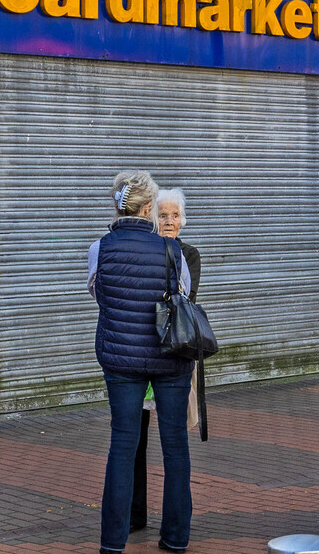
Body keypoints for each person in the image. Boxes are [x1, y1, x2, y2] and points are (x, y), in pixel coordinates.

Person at [88, 170, 194, 554]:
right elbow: (182, 296)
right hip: (170, 360)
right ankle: (176, 538)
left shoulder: (99, 247)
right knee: (175, 447)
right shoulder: (172, 250)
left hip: (120, 359)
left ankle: (112, 543)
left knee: (122, 445)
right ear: (150, 208)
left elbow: (98, 294)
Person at [132, 188, 203, 530]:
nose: (170, 221)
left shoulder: (189, 253)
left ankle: (176, 525)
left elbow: (184, 298)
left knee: (174, 440)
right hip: (140, 354)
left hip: (173, 355)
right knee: (135, 439)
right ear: (151, 218)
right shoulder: (142, 250)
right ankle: (135, 514)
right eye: (163, 215)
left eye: (175, 215)